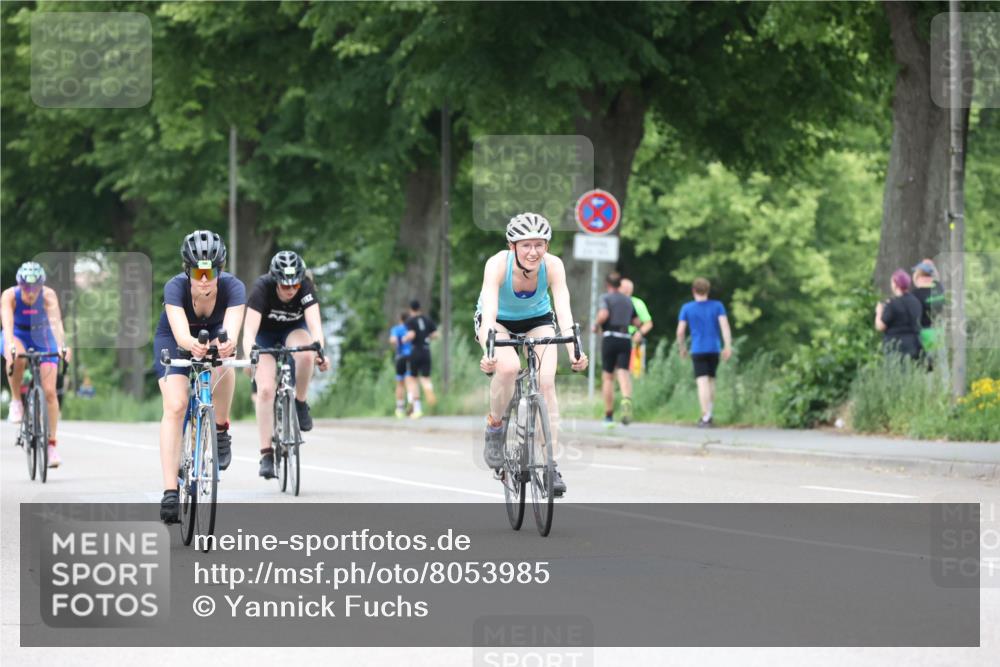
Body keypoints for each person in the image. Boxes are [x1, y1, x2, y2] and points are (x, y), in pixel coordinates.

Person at [476, 212, 589, 496]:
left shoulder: (553, 266)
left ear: (547, 246)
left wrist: (575, 351)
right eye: (526, 245)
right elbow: (489, 307)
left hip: (537, 321)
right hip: (498, 321)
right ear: (512, 246)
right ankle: (495, 426)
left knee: (547, 383)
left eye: (540, 244)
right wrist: (490, 349)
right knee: (508, 368)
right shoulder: (497, 264)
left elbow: (563, 309)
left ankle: (550, 466)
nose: (533, 251)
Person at [155, 231, 245, 523]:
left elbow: (231, 331)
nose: (204, 279)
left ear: (221, 270)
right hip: (174, 338)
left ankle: (220, 429)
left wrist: (227, 343)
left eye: (211, 271)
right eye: (197, 272)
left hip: (213, 337)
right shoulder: (174, 288)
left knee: (224, 362)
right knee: (176, 405)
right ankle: (170, 490)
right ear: (187, 270)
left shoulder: (234, 288)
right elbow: (181, 334)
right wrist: (191, 344)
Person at [241, 250, 329, 479]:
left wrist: (319, 349)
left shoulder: (306, 286)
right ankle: (266, 453)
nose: (290, 291)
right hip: (264, 336)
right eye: (285, 286)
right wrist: (250, 354)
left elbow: (315, 326)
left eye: (295, 286)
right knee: (266, 390)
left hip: (293, 330)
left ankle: (300, 403)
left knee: (307, 355)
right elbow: (248, 330)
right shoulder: (262, 287)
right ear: (275, 280)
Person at [1, 261, 71, 467]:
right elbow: (7, 325)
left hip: (42, 333)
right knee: (16, 355)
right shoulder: (9, 296)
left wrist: (62, 346)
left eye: (35, 287)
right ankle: (16, 401)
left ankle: (51, 446)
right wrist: (10, 346)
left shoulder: (48, 295)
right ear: (19, 284)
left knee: (49, 392)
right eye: (26, 287)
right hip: (18, 334)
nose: (30, 292)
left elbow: (56, 324)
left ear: (41, 285)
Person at [676, 277, 732, 427]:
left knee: (702, 382)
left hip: (698, 348)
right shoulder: (717, 306)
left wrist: (682, 348)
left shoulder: (687, 308)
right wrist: (727, 346)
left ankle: (705, 416)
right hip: (714, 348)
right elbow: (725, 327)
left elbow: (680, 331)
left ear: (693, 290)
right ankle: (710, 413)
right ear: (708, 290)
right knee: (711, 380)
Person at [593, 272, 643, 426]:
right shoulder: (628, 300)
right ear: (620, 284)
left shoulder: (605, 298)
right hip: (625, 339)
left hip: (610, 337)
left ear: (608, 285)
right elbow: (637, 321)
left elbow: (604, 314)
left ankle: (608, 416)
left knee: (608, 377)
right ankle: (626, 401)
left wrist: (596, 325)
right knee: (623, 372)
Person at [875, 269, 923, 361]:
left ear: (895, 284)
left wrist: (879, 312)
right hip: (914, 343)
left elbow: (880, 326)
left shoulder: (893, 304)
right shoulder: (915, 301)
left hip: (895, 346)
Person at [402, 300, 437, 419]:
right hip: (426, 350)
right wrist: (426, 336)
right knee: (425, 378)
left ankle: (417, 409)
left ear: (410, 309)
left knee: (413, 380)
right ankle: (429, 390)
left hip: (415, 350)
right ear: (420, 308)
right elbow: (435, 335)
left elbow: (412, 334)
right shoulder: (427, 320)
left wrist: (405, 339)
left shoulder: (410, 321)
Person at [619, 277, 654, 378]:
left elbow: (648, 323)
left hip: (633, 341)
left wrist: (639, 333)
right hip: (618, 339)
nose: (622, 290)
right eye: (621, 287)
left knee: (635, 373)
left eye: (625, 288)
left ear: (630, 290)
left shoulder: (637, 303)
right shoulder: (614, 302)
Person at [911, 259, 945, 357]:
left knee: (927, 365)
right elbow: (937, 279)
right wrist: (931, 267)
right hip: (938, 331)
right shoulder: (939, 288)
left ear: (919, 276)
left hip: (924, 333)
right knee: (941, 364)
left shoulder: (915, 295)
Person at [389, 311, 413, 418]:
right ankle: (412, 403)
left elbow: (393, 340)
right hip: (412, 357)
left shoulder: (397, 329)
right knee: (411, 381)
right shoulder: (412, 328)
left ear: (400, 319)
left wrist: (398, 343)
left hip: (400, 357)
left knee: (400, 383)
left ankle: (400, 408)